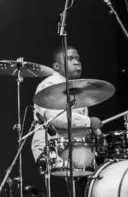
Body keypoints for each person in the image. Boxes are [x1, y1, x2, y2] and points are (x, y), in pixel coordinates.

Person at [30, 46, 103, 195]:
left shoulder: (77, 88)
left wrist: (97, 132)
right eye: (70, 58)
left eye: (78, 59)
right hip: (53, 148)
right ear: (56, 66)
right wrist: (89, 122)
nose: (77, 62)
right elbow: (55, 118)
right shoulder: (49, 85)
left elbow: (81, 124)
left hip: (77, 149)